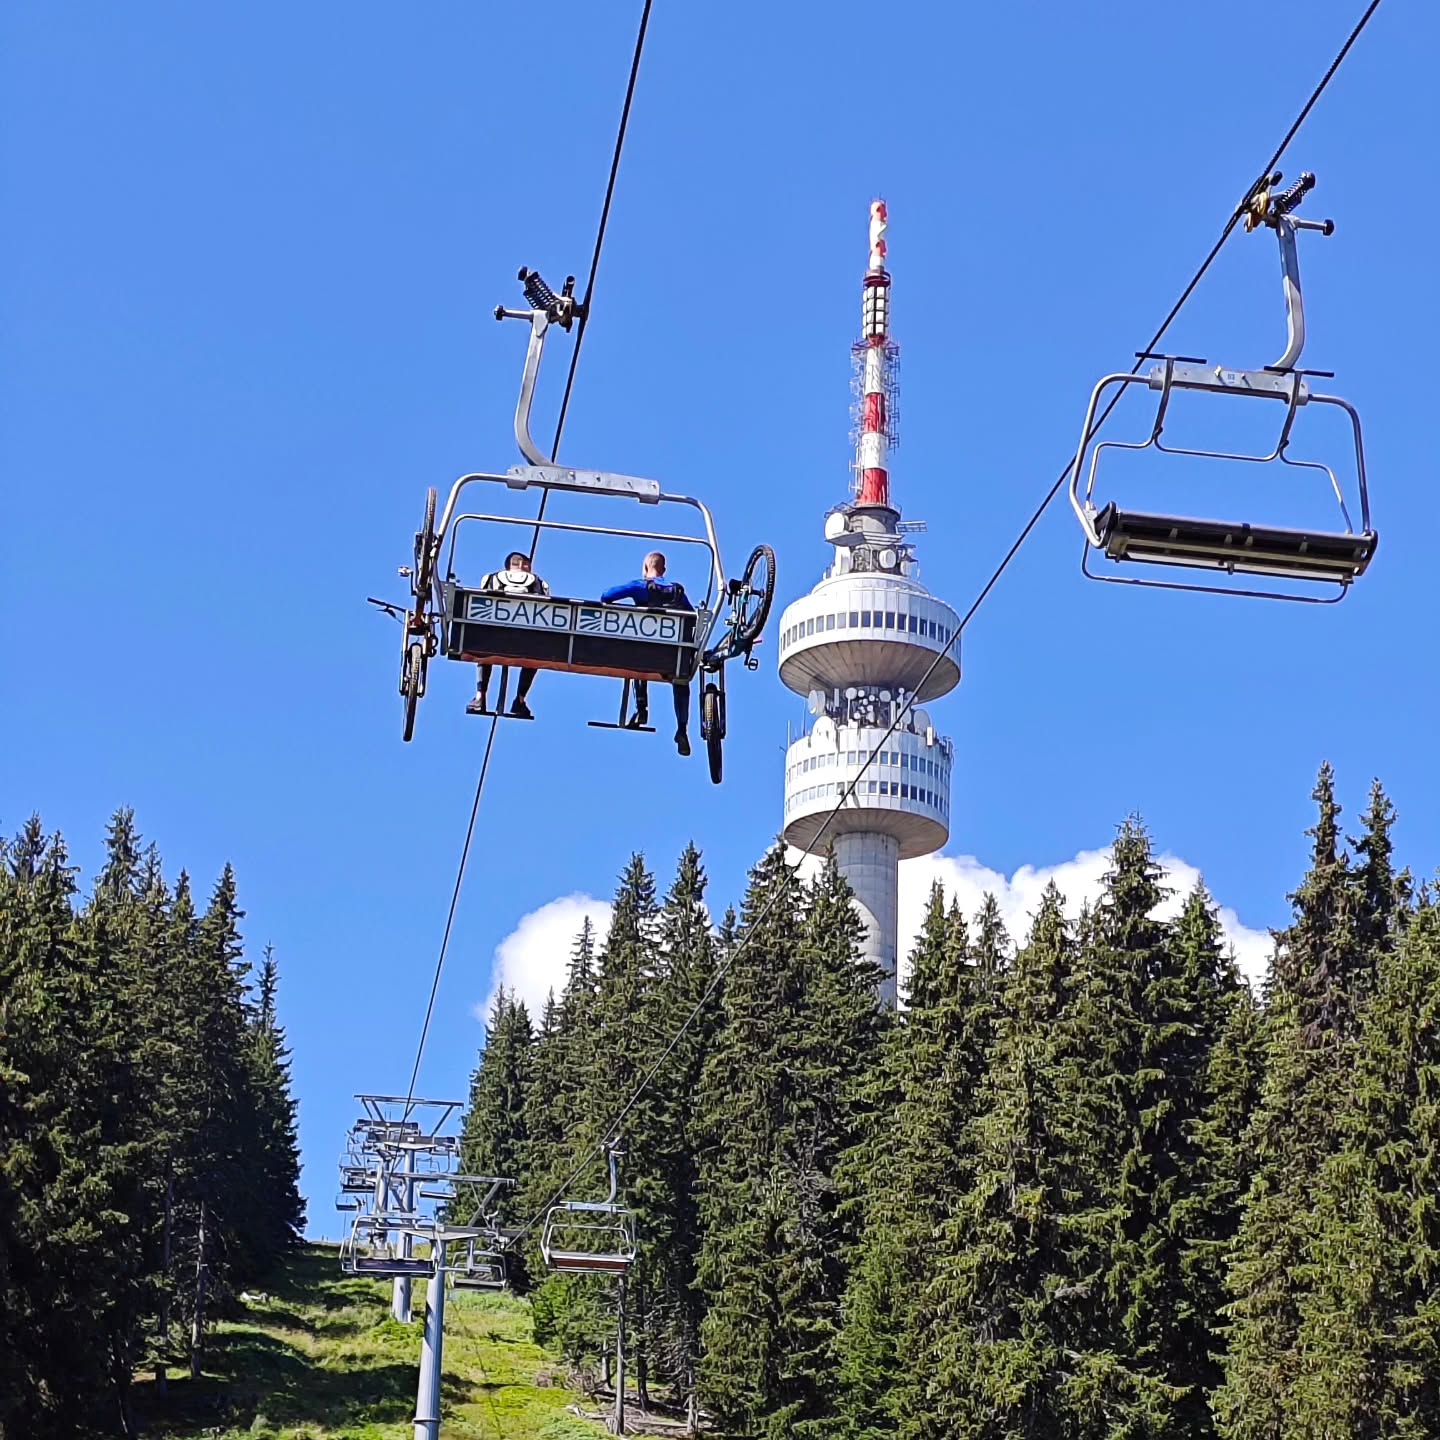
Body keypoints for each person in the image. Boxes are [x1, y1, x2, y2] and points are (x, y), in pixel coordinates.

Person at [601, 551, 693, 756]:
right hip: (671, 655)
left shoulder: (639, 586)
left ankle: (641, 708)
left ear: (645, 568)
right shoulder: (677, 590)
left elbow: (606, 596)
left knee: (635, 654)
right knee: (681, 679)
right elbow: (692, 616)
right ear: (664, 570)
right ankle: (682, 728)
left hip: (645, 652)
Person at [467, 551, 549, 719]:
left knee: (484, 652)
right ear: (526, 565)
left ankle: (480, 697)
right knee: (534, 657)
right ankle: (520, 699)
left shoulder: (490, 579)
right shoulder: (539, 583)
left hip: (494, 634)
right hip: (527, 637)